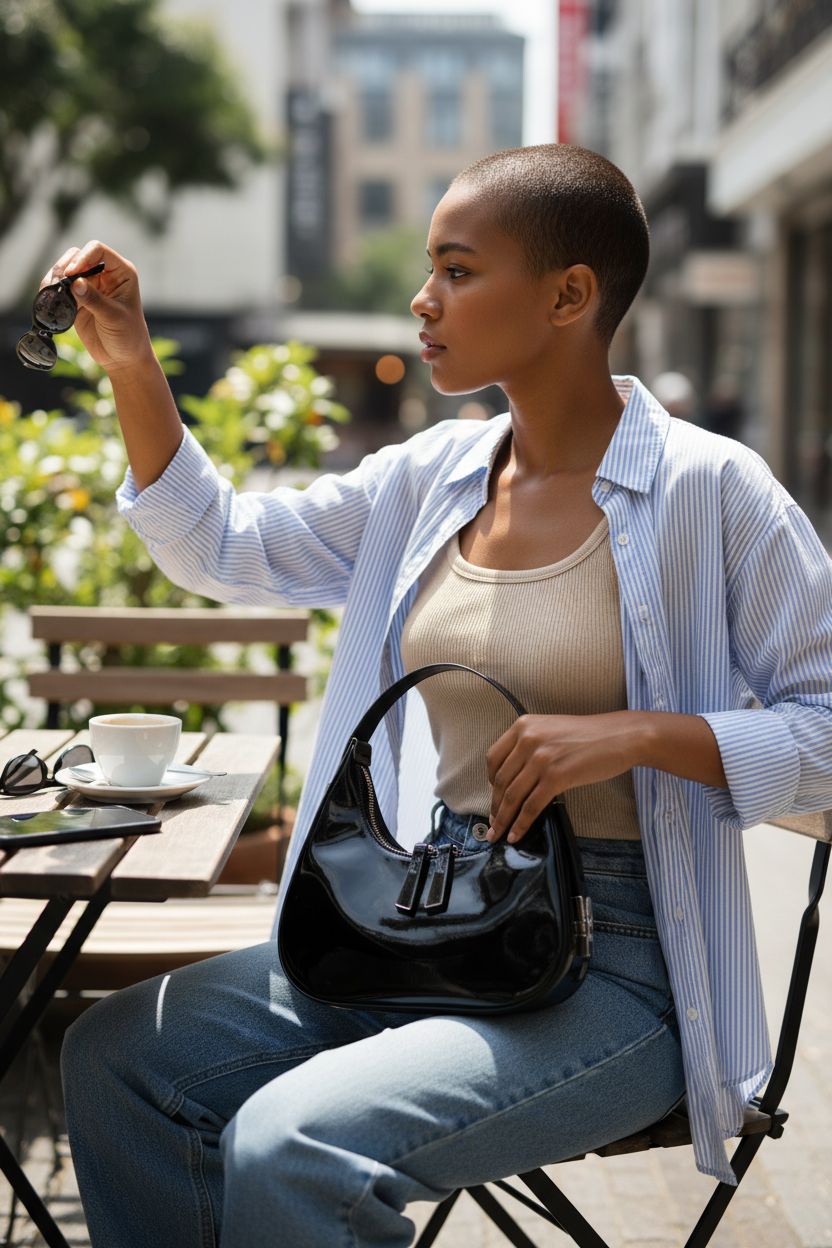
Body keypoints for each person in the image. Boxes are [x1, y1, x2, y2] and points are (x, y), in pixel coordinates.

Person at [57, 144, 832, 1248]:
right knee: (122, 1057)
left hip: (631, 968)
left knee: (294, 1144)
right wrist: (133, 362)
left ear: (569, 295)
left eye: (459, 271)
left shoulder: (710, 491)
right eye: (430, 267)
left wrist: (638, 736)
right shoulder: (428, 478)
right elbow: (223, 546)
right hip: (433, 918)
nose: (422, 299)